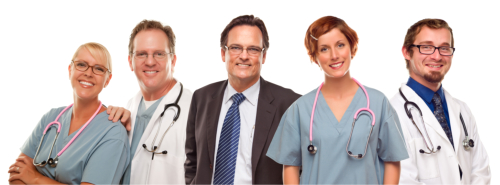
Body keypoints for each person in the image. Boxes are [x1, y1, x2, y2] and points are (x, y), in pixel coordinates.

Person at [266, 16, 409, 184]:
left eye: (340, 45)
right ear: (315, 57)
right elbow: (290, 166)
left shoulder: (378, 103)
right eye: (324, 49)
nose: (334, 55)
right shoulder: (300, 109)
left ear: (352, 48)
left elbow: (392, 159)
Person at [184, 15, 300, 185]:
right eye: (236, 47)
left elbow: (302, 166)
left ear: (264, 56)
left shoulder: (290, 104)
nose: (244, 56)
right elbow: (192, 160)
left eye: (253, 49)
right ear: (223, 53)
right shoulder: (202, 97)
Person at [8, 42, 130, 185]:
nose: (88, 73)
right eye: (81, 64)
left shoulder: (113, 133)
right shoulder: (51, 118)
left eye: (98, 69)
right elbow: (17, 174)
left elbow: (26, 176)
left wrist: (35, 178)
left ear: (107, 80)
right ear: (70, 70)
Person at [390, 18, 491, 184]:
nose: (437, 56)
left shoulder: (462, 110)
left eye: (444, 48)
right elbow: (402, 181)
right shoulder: (391, 115)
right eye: (426, 47)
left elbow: (481, 171)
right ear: (407, 52)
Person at [107, 20, 193, 184]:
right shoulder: (129, 107)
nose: (150, 61)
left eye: (159, 54)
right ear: (130, 61)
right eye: (141, 54)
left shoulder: (194, 110)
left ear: (173, 61)